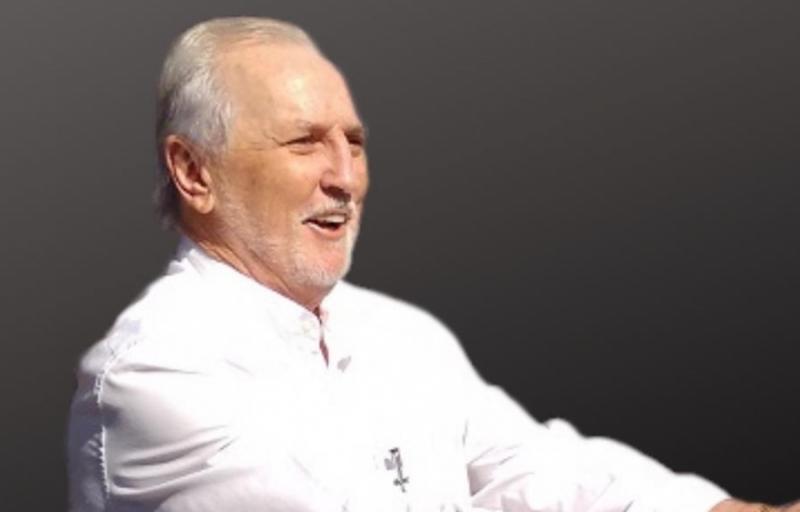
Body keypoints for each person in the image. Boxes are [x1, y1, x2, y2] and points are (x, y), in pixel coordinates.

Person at [67, 17, 795, 512]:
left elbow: (530, 468)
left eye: (354, 143)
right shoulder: (154, 375)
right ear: (194, 171)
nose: (344, 177)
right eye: (304, 142)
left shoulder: (397, 333)